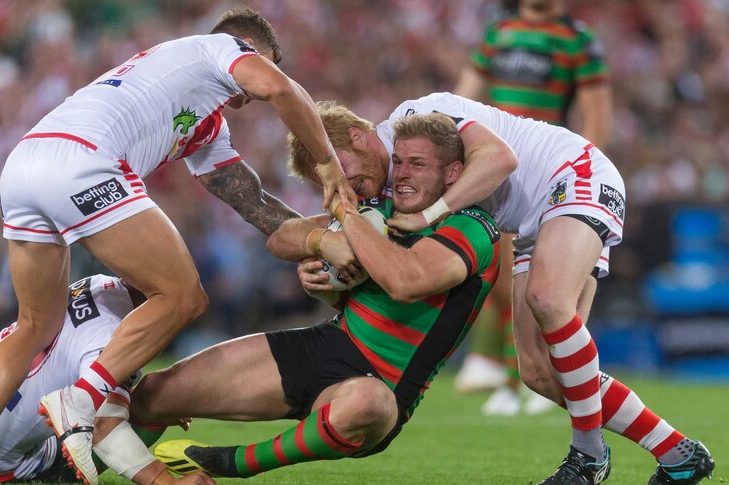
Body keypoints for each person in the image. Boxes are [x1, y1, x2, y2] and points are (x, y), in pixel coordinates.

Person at [0, 7, 356, 485]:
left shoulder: (204, 120)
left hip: (24, 165)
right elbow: (281, 88)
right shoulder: (217, 48)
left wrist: (321, 239)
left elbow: (255, 206)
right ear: (250, 48)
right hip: (85, 160)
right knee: (183, 297)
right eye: (269, 60)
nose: (265, 79)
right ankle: (80, 403)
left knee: (36, 325)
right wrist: (330, 168)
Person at [282, 95, 714, 484]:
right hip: (530, 224)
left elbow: (501, 159)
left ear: (358, 137)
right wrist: (327, 275)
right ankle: (677, 453)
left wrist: (430, 213)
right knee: (542, 372)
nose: (351, 193)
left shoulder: (416, 116)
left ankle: (587, 458)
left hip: (572, 174)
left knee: (547, 299)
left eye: (349, 179)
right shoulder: (387, 186)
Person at [87, 114, 499, 480]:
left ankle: (234, 462)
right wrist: (322, 244)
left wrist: (346, 217)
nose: (403, 174)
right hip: (326, 346)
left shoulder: (473, 227)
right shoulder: (383, 206)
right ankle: (77, 470)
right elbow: (283, 238)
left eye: (419, 165)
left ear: (453, 174)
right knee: (154, 394)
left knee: (369, 402)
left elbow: (405, 282)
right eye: (402, 161)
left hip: (382, 385)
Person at [0, 274, 214, 485]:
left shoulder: (100, 284)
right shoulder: (111, 339)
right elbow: (106, 428)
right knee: (82, 444)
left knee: (127, 398)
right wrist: (164, 480)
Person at [453, 0, 613, 416]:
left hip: (545, 168)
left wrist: (582, 170)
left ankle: (516, 377)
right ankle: (514, 374)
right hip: (495, 165)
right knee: (508, 283)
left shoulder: (577, 41)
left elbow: (596, 115)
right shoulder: (497, 34)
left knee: (537, 287)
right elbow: (464, 97)